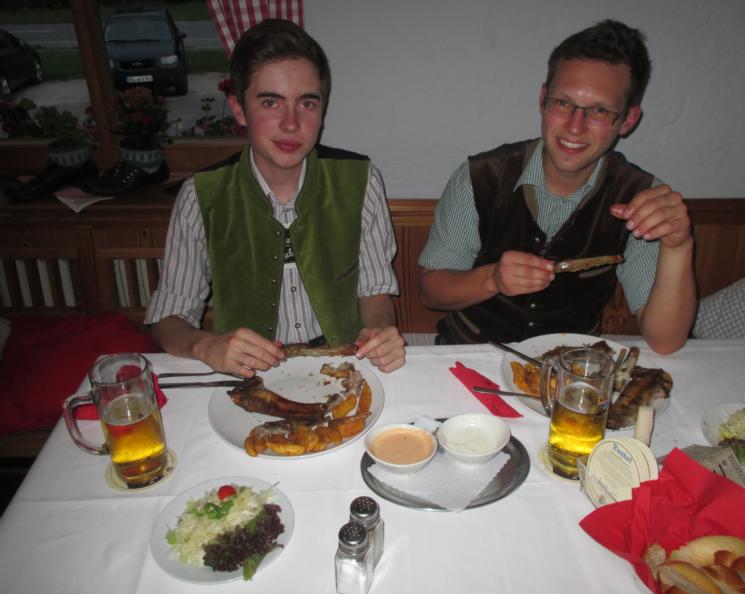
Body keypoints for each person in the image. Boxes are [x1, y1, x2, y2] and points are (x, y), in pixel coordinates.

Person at [418, 19, 696, 354]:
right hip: (471, 356)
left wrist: (679, 246)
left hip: (571, 368)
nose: (575, 127)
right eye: (563, 103)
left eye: (599, 110)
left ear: (628, 120)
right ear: (543, 99)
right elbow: (431, 292)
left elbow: (665, 341)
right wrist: (492, 279)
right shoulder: (479, 177)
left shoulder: (641, 200)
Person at [145, 19, 405, 375]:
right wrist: (206, 345)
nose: (291, 123)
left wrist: (379, 331)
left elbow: (375, 293)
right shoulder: (199, 196)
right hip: (248, 377)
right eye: (271, 102)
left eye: (307, 104)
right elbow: (167, 320)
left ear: (322, 111)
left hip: (343, 367)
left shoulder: (361, 180)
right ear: (239, 109)